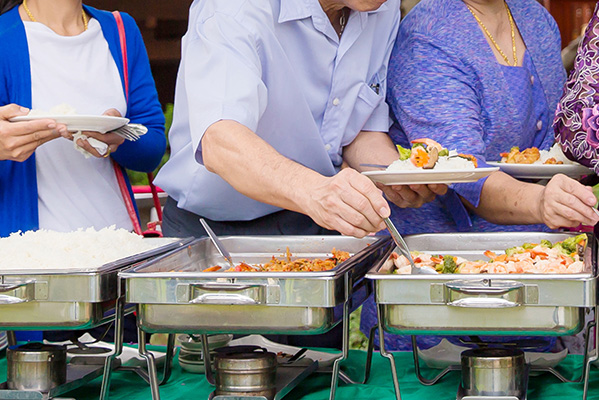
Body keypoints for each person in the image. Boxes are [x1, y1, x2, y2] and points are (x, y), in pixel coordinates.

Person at [360, 0, 599, 351]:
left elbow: (554, 143)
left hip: (537, 291)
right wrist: (542, 201)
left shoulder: (535, 17)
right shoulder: (429, 35)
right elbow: (461, 173)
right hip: (443, 306)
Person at [155, 0, 447, 243]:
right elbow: (221, 141)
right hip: (211, 230)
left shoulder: (381, 8)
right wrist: (315, 191)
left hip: (310, 224)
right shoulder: (235, 7)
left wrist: (397, 175)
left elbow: (359, 128)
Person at [0, 0, 166, 238]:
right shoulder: (4, 37)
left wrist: (119, 136)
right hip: (31, 256)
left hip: (118, 242)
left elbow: (152, 148)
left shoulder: (120, 29)